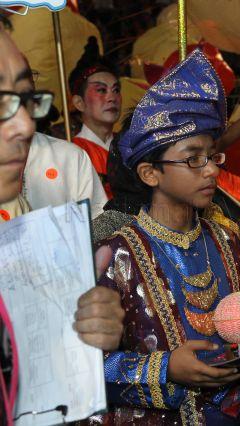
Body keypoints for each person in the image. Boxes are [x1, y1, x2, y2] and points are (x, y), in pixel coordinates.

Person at [92, 49, 240, 425]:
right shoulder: (115, 257)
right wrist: (165, 369)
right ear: (150, 174)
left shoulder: (227, 243)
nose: (210, 170)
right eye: (193, 158)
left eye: (213, 156)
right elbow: (85, 368)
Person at [0, 29, 124, 424]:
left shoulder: (66, 157)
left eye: (24, 100)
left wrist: (82, 303)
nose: (21, 124)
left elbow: (99, 231)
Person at [69, 36, 121, 197]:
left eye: (116, 90)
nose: (112, 97)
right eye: (101, 90)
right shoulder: (72, 153)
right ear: (79, 102)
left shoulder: (130, 147)